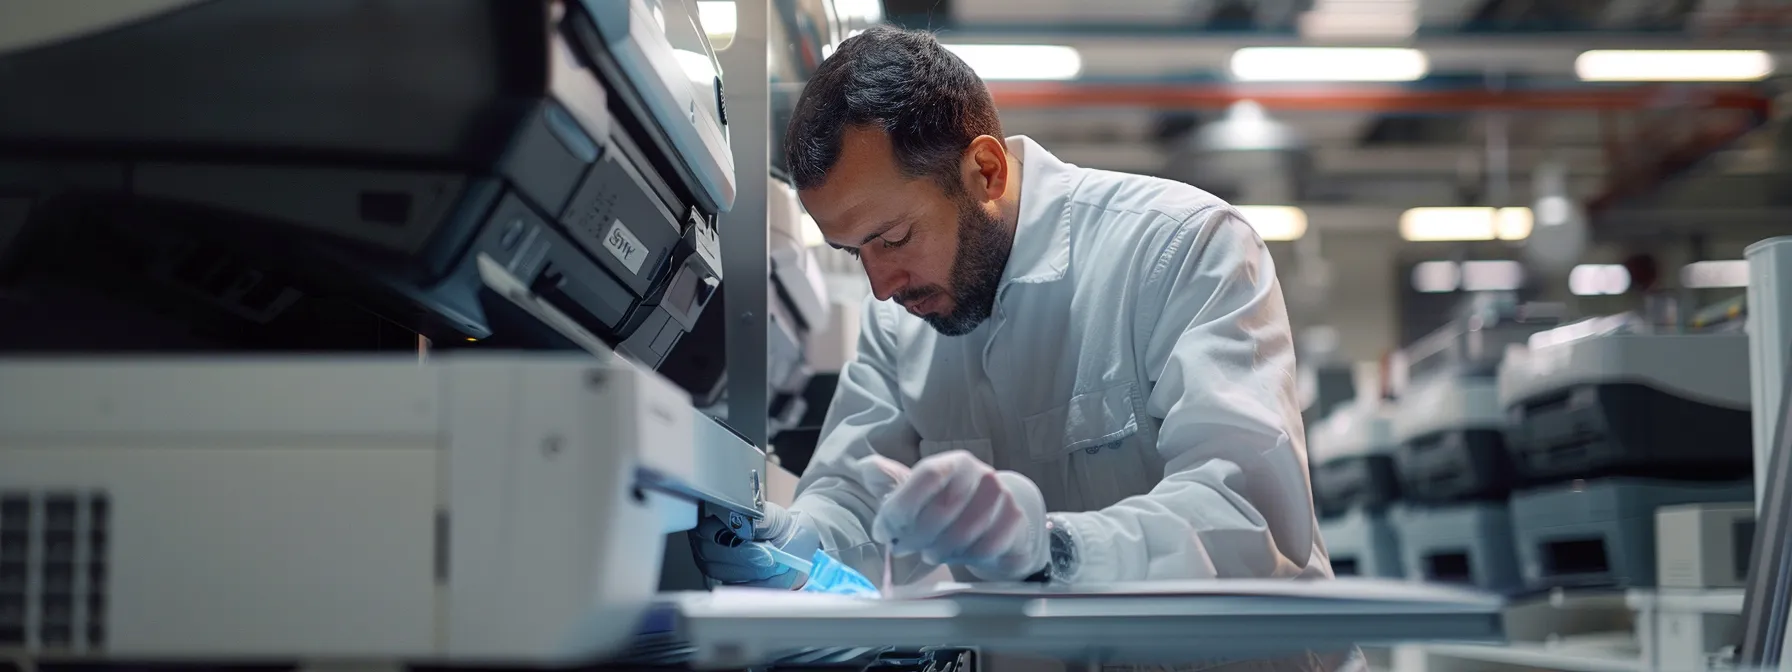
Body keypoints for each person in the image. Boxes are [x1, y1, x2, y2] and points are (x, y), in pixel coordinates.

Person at [691, 24, 1331, 590]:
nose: (881, 285)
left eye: (892, 238)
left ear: (987, 172)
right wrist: (802, 538)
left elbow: (1248, 513)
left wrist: (1051, 546)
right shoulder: (896, 322)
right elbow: (858, 499)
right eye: (855, 252)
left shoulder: (1181, 247)